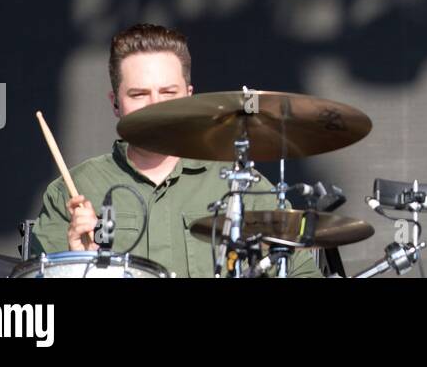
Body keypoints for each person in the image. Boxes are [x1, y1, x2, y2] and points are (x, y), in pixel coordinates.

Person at [28, 23, 322, 278]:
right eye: (139, 94)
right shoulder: (73, 192)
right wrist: (76, 262)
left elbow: (300, 271)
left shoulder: (243, 187)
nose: (156, 107)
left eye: (168, 93)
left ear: (189, 98)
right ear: (115, 103)